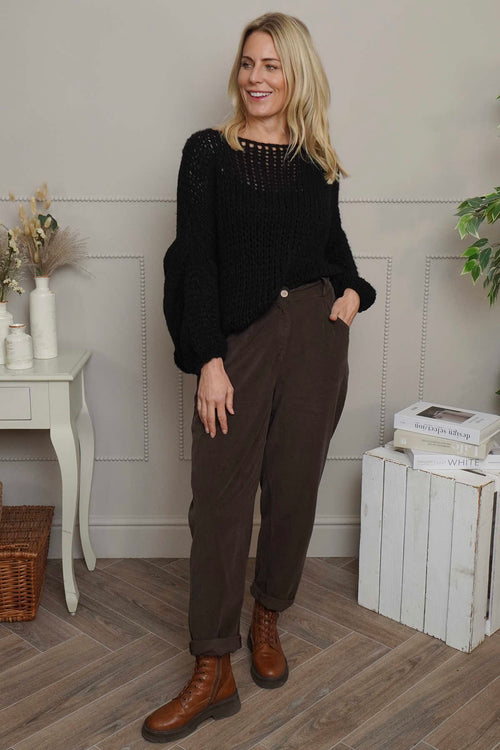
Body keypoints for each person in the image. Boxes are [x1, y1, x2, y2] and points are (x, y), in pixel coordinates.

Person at [142, 11, 376, 744]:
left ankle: (267, 615)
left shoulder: (315, 159)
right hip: (238, 343)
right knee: (218, 503)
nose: (256, 77)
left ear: (295, 73)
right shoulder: (208, 153)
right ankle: (212, 666)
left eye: (271, 64)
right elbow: (196, 262)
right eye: (248, 63)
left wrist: (351, 295)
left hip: (313, 337)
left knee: (294, 489)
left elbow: (334, 249)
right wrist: (208, 359)